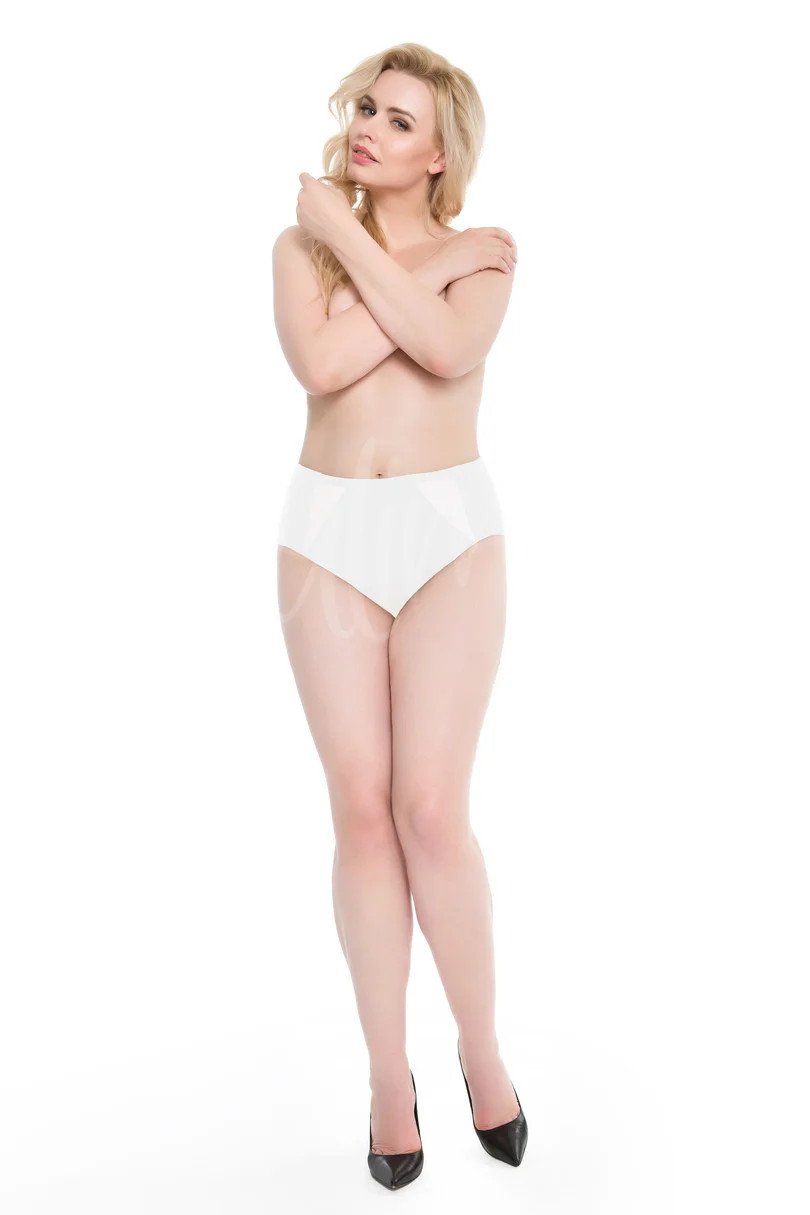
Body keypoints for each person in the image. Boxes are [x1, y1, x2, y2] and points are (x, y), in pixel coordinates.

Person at [273, 43, 527, 1189]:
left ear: (439, 155)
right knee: (361, 815)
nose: (370, 129)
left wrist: (370, 239)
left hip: (447, 535)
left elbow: (446, 347)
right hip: (327, 532)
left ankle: (482, 1050)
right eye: (368, 108)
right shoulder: (302, 248)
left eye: (401, 121)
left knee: (430, 810)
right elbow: (324, 366)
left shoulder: (489, 255)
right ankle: (388, 1078)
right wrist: (359, 240)